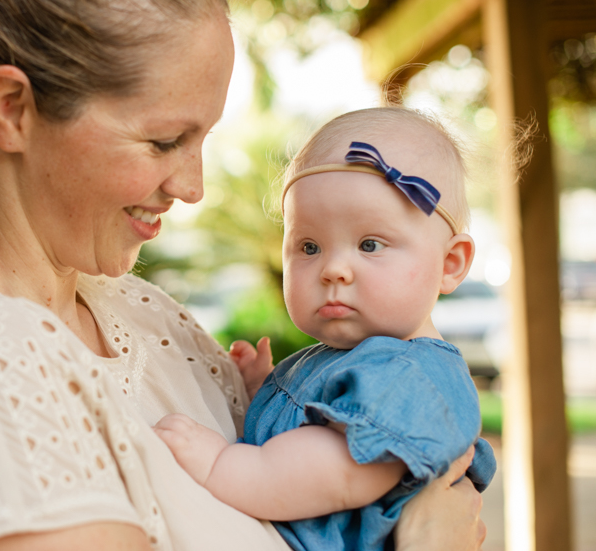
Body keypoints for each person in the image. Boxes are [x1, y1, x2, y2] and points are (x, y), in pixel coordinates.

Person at [0, 0, 488, 551]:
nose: (193, 187)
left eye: (202, 140)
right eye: (163, 142)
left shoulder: (145, 316)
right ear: (12, 110)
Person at [154, 107, 496, 550]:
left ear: (449, 264)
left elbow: (333, 472)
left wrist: (221, 464)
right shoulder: (350, 360)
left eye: (370, 244)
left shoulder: (414, 376)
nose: (333, 269)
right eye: (309, 246)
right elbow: (306, 432)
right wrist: (265, 391)